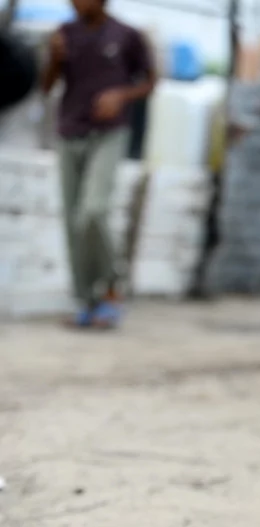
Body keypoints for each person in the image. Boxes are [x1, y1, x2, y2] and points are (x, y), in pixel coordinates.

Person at [41, 0, 155, 329]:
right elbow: (47, 87)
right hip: (69, 131)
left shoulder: (128, 35)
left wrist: (121, 95)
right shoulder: (64, 33)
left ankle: (111, 287)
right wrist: (54, 58)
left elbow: (150, 80)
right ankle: (87, 302)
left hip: (109, 133)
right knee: (72, 221)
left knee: (93, 210)